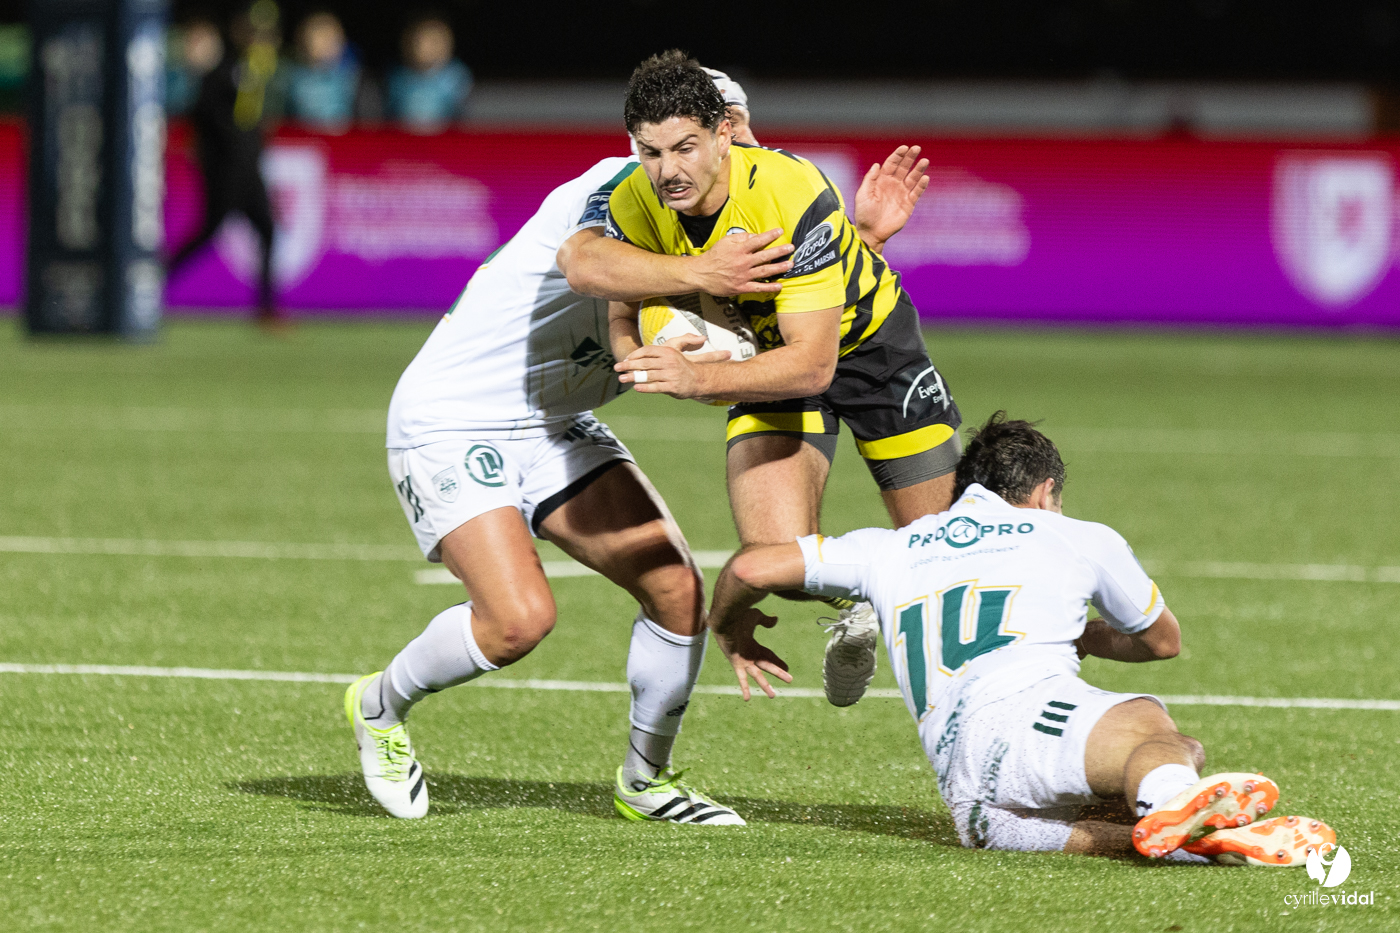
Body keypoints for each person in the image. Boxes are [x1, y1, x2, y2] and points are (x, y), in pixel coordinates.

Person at [344, 67, 925, 824]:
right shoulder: (620, 190)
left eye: (731, 128)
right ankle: (379, 705)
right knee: (518, 621)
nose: (729, 144)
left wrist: (861, 239)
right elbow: (586, 264)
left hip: (557, 423)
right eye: (663, 146)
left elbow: (789, 316)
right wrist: (701, 273)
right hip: (455, 417)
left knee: (677, 592)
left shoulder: (748, 207)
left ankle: (645, 781)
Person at [704, 413, 1336, 864]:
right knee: (1150, 726)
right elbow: (1160, 642)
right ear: (1044, 491)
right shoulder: (1074, 535)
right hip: (1015, 727)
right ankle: (1174, 804)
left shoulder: (888, 548)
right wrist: (1088, 638)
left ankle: (1191, 839)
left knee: (1168, 764)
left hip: (974, 799)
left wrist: (729, 630)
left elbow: (752, 567)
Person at [569, 51, 956, 710]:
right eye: (651, 151)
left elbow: (814, 364)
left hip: (872, 354)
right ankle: (860, 599)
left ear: (723, 134)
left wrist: (696, 380)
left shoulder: (788, 190)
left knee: (947, 562)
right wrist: (636, 353)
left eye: (685, 147)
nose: (667, 169)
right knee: (775, 558)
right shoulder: (633, 196)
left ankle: (902, 585)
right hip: (763, 361)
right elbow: (611, 292)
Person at [166, 1, 282, 326]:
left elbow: (251, 123)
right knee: (208, 232)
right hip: (227, 171)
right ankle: (152, 285)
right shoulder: (222, 73)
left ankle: (267, 308)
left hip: (248, 168)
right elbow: (213, 124)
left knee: (266, 229)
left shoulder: (253, 71)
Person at [386, 14, 471, 133]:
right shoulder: (398, 77)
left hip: (445, 139)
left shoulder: (455, 76)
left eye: (435, 41)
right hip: (404, 139)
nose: (428, 47)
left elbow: (462, 114)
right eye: (421, 41)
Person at [279, 11, 360, 133]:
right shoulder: (292, 79)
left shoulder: (354, 77)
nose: (327, 44)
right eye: (321, 37)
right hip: (305, 140)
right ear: (304, 42)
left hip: (343, 140)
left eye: (333, 38)